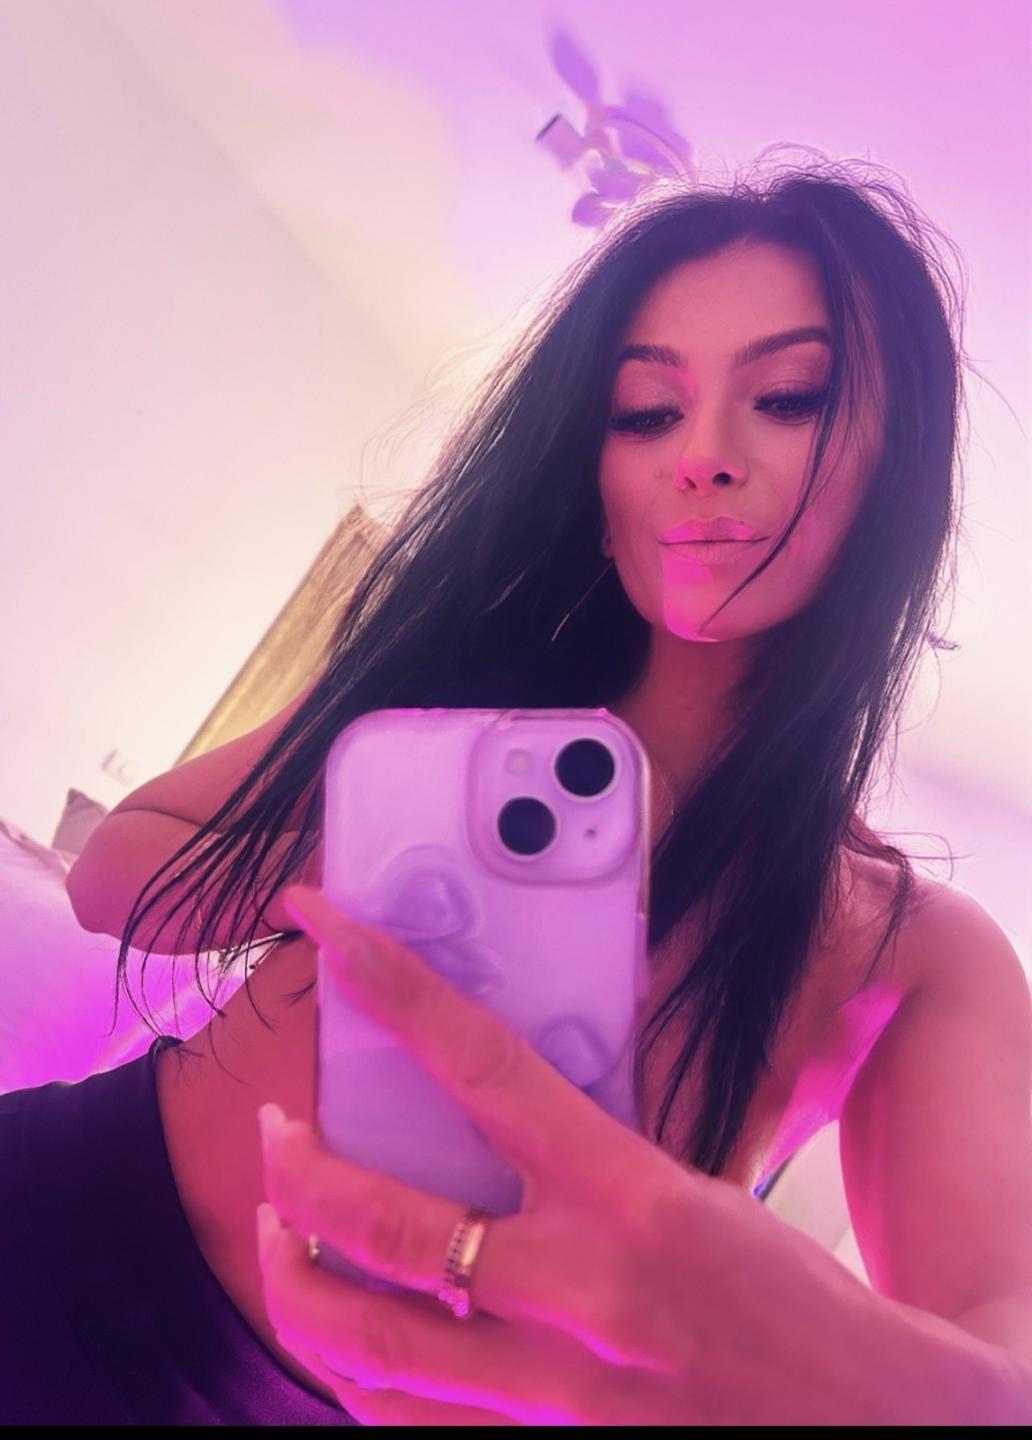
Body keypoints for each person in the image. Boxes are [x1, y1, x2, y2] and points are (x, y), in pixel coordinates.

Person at [3, 154, 1030, 1424]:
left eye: (788, 397)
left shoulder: (910, 952)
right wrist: (363, 877)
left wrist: (815, 1359)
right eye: (645, 413)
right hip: (53, 1209)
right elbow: (115, 871)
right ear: (597, 489)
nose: (701, 457)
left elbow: (1002, 1368)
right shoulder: (455, 704)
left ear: (898, 471)